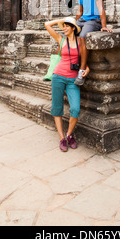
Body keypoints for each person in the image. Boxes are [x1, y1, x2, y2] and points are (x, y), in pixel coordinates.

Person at [44, 16, 89, 152]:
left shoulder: (80, 42)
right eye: (63, 26)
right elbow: (47, 25)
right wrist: (62, 20)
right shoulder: (61, 39)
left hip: (72, 79)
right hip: (58, 76)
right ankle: (62, 138)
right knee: (57, 108)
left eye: (67, 26)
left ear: (73, 28)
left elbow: (84, 59)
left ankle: (69, 134)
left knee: (75, 109)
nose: (64, 28)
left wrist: (87, 68)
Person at [75, 0, 113, 86]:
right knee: (69, 35)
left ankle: (81, 70)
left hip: (93, 21)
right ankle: (74, 65)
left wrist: (104, 26)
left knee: (82, 37)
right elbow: (80, 11)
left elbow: (101, 8)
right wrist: (73, 23)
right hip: (83, 20)